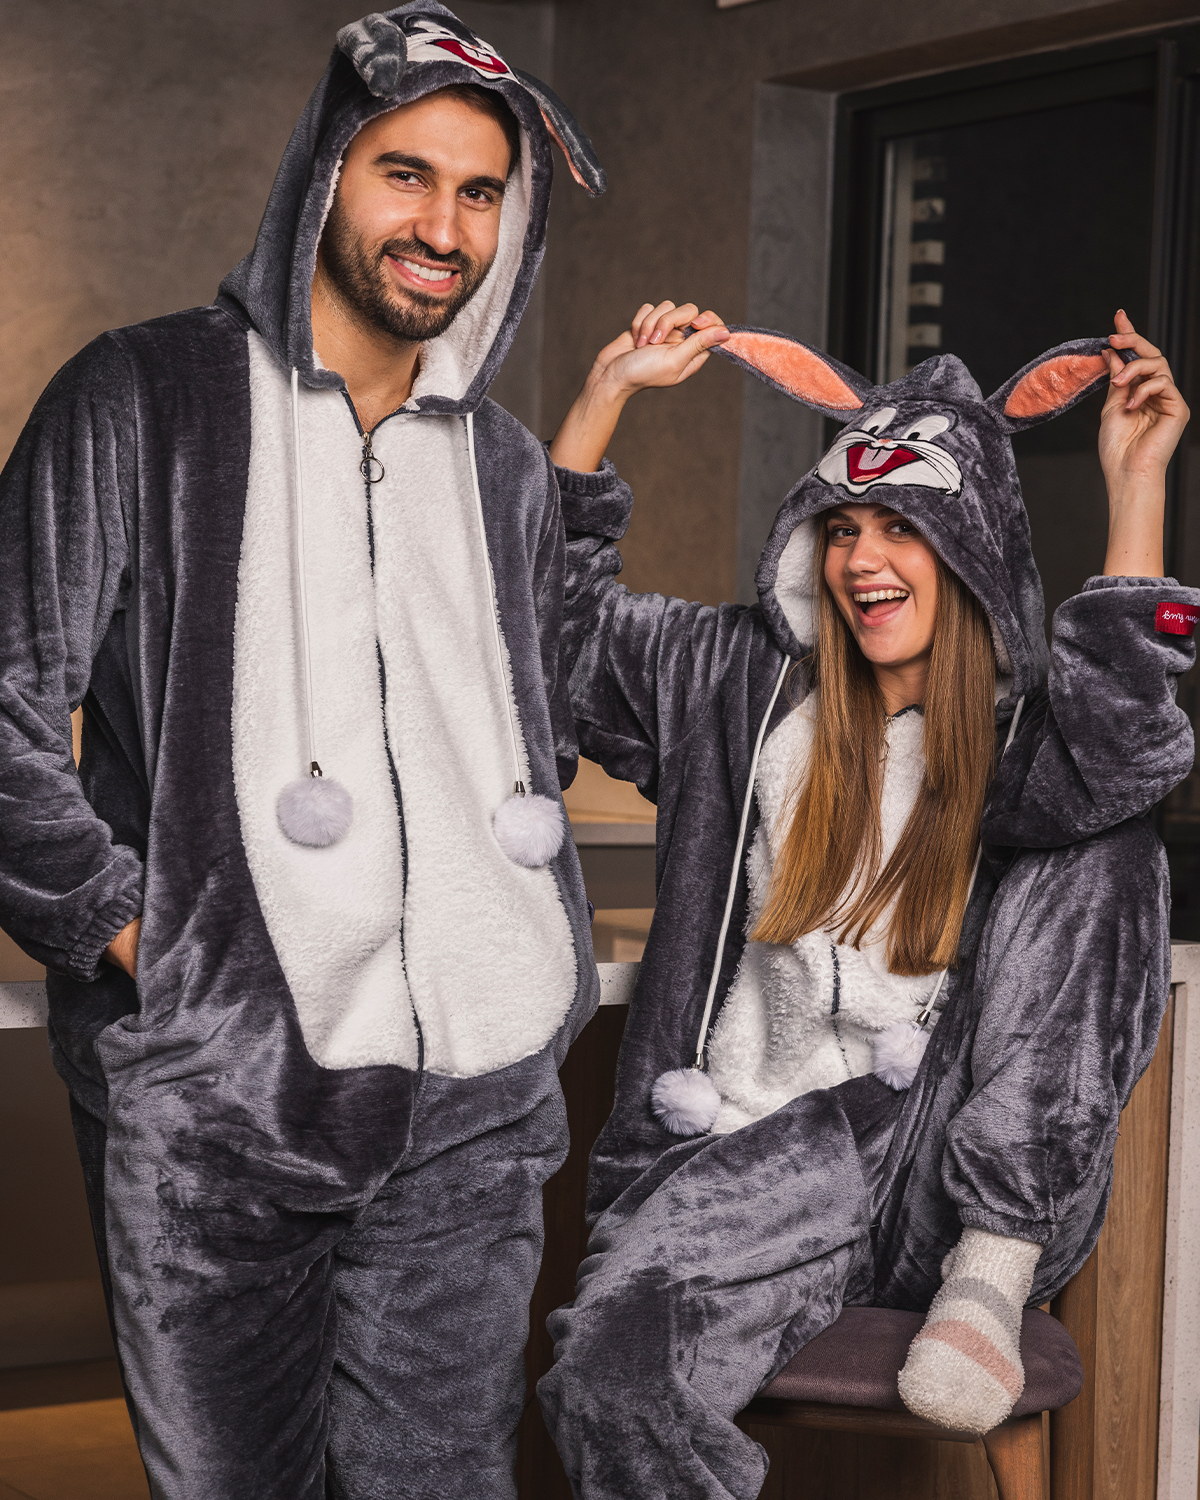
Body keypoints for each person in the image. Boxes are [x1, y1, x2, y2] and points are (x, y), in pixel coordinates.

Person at [0, 6, 607, 1497]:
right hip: (225, 1098)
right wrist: (150, 944)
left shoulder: (507, 466)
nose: (443, 227)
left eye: (481, 192)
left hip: (473, 1111)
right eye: (407, 175)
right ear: (325, 172)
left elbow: (530, 724)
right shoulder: (147, 398)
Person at [535, 304, 1195, 1498]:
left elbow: (1126, 749)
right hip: (735, 1163)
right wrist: (602, 400)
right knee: (605, 1377)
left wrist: (1137, 483)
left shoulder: (1029, 742)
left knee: (1106, 839)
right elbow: (550, 640)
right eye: (842, 527)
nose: (861, 560)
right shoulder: (740, 682)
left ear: (971, 551)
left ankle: (993, 1268)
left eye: (903, 527)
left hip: (931, 1179)